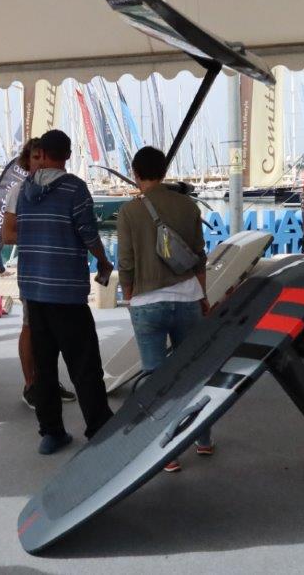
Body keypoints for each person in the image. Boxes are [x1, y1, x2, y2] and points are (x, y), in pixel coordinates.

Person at [17, 129, 114, 454]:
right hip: (67, 293)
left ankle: (51, 433)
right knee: (84, 363)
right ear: (68, 156)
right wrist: (103, 261)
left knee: (44, 367)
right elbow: (88, 233)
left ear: (42, 153)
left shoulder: (24, 190)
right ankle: (99, 427)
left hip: (33, 290)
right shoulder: (75, 188)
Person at [117, 146, 211, 472]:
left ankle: (167, 453)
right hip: (188, 297)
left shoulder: (129, 211)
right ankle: (202, 439)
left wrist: (130, 297)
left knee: (156, 381)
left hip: (147, 302)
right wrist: (203, 294)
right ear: (164, 171)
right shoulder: (188, 205)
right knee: (191, 373)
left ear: (136, 173)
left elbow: (126, 262)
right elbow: (199, 256)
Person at [2, 138, 76, 408]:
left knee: (54, 331)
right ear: (28, 160)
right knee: (30, 327)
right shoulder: (18, 191)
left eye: (42, 157)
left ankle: (49, 381)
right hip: (33, 273)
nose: (40, 163)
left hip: (59, 274)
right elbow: (7, 235)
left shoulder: (61, 189)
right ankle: (31, 385)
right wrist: (42, 232)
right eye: (34, 158)